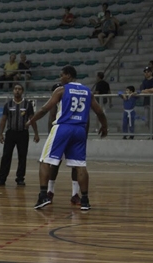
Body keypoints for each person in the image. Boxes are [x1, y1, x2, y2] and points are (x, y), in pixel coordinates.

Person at [25, 65, 108, 211]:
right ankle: (85, 200)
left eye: (61, 75)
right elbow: (99, 112)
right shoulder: (87, 91)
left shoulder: (62, 90)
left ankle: (44, 195)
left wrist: (31, 121)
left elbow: (45, 109)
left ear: (69, 76)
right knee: (80, 165)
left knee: (44, 160)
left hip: (63, 127)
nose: (60, 78)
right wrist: (104, 126)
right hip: (80, 130)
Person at [0, 84, 39, 187]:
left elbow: (32, 119)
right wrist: (0, 134)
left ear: (22, 91)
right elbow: (3, 119)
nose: (17, 91)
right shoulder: (8, 104)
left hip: (23, 134)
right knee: (6, 156)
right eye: (15, 89)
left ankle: (20, 178)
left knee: (22, 156)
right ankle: (1, 178)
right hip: (10, 133)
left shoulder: (27, 105)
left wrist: (36, 133)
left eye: (19, 89)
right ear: (13, 91)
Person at [46, 83, 81, 205]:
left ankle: (75, 193)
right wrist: (51, 135)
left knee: (75, 165)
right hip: (59, 134)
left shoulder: (70, 103)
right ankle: (50, 191)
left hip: (71, 133)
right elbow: (51, 118)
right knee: (54, 163)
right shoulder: (54, 104)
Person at [139, 66, 153, 138]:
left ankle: (152, 133)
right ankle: (152, 134)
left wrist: (147, 90)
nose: (146, 73)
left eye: (148, 72)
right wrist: (150, 91)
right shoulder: (144, 81)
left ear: (151, 72)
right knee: (147, 121)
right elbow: (142, 91)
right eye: (145, 72)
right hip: (147, 103)